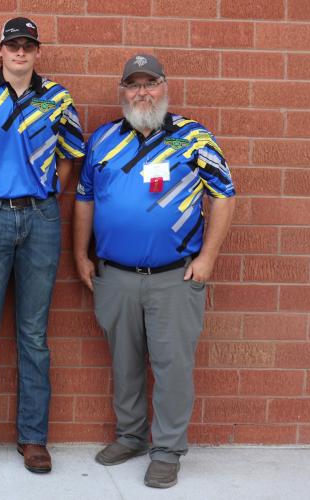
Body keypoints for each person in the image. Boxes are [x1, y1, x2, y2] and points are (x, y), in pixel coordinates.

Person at [73, 54, 236, 488]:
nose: (142, 92)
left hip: (174, 276)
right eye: (133, 84)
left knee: (172, 366)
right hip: (115, 274)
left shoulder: (194, 138)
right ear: (121, 91)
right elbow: (84, 199)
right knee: (124, 363)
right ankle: (130, 437)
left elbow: (224, 195)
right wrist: (79, 255)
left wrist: (208, 259)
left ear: (165, 86)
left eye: (151, 83)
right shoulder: (102, 140)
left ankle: (167, 450)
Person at [0, 17, 85, 473]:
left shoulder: (58, 99)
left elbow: (69, 159)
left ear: (37, 52)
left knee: (33, 334)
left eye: (28, 45)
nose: (20, 52)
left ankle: (33, 437)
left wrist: (43, 196)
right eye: (13, 45)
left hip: (40, 217)